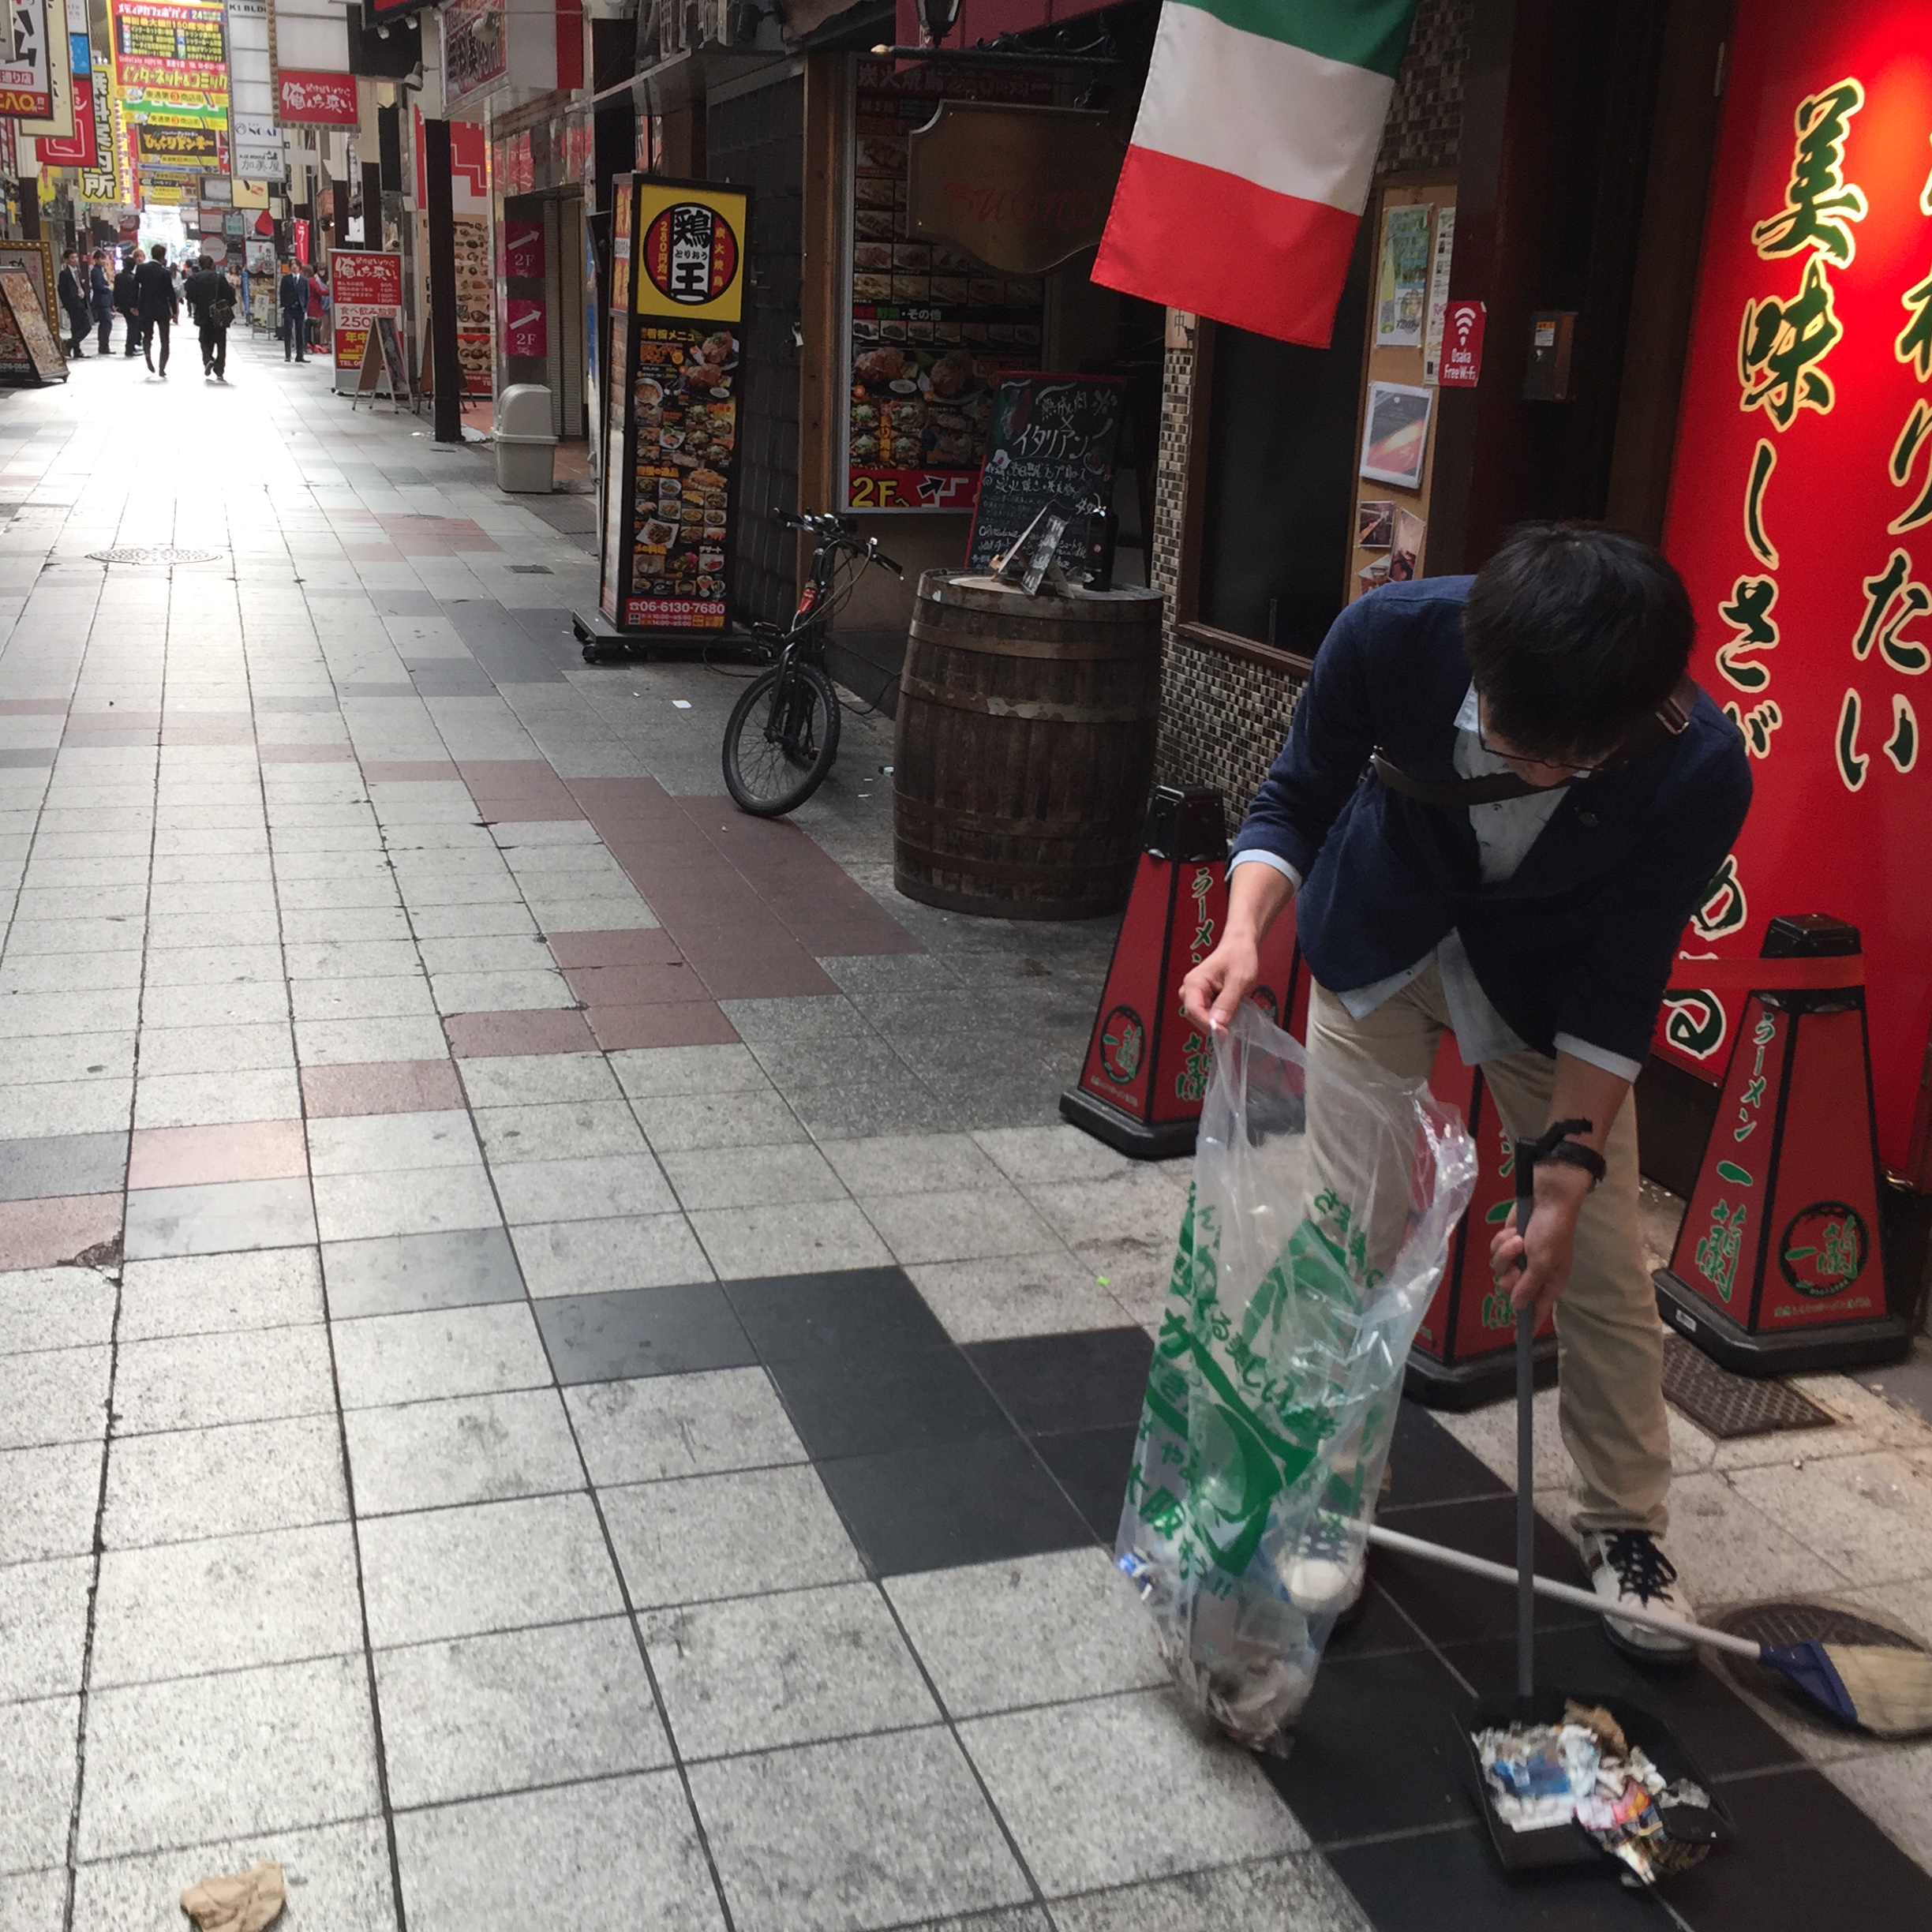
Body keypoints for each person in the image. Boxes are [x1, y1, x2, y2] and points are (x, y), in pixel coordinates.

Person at [1181, 523, 1752, 1662]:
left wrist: (1563, 1184)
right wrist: (1245, 931)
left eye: (1568, 761)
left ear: (1637, 719)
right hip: (1379, 938)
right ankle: (1336, 1492)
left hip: (1546, 990)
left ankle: (1626, 1528)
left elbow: (1623, 978)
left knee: (1596, 1258)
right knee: (1350, 1230)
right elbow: (1296, 797)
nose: (1533, 771)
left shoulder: (1698, 770)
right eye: (1510, 739)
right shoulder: (1388, 637)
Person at [184, 253, 233, 381]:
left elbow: (189, 296)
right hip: (219, 316)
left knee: (205, 340)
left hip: (203, 314)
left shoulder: (194, 278)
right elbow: (230, 297)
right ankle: (219, 369)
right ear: (212, 264)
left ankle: (208, 359)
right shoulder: (219, 278)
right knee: (221, 342)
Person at [133, 242, 177, 376]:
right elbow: (171, 293)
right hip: (162, 309)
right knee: (165, 338)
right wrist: (175, 311)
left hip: (146, 307)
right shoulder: (165, 273)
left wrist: (134, 305)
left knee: (147, 335)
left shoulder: (141, 269)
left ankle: (147, 356)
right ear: (162, 257)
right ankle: (162, 367)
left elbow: (135, 287)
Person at [55, 249, 88, 358]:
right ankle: (75, 349)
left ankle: (70, 344)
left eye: (76, 257)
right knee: (76, 327)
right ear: (67, 260)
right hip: (73, 304)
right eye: (72, 258)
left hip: (81, 302)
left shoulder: (78, 272)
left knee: (86, 326)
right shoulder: (64, 274)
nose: (75, 260)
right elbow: (62, 290)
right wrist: (67, 305)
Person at [278, 259, 309, 362]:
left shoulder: (304, 280)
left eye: (296, 265)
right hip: (289, 308)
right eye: (292, 265)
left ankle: (300, 355)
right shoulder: (286, 279)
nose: (294, 267)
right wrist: (284, 305)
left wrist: (305, 308)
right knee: (288, 331)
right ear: (290, 267)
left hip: (300, 308)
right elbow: (282, 293)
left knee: (300, 332)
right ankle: (288, 355)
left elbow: (306, 295)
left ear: (299, 267)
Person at [113, 251, 141, 356]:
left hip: (122, 306)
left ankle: (131, 347)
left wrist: (116, 304)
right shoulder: (133, 278)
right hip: (131, 306)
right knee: (133, 327)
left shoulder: (118, 277)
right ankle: (130, 349)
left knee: (131, 326)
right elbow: (135, 294)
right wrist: (135, 306)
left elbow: (116, 292)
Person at [88, 250, 114, 354]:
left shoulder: (101, 271)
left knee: (105, 324)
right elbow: (97, 286)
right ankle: (104, 346)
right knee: (106, 323)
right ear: (96, 260)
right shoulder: (95, 271)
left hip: (105, 301)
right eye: (101, 259)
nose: (104, 261)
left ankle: (104, 346)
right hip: (101, 301)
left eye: (104, 259)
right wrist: (108, 288)